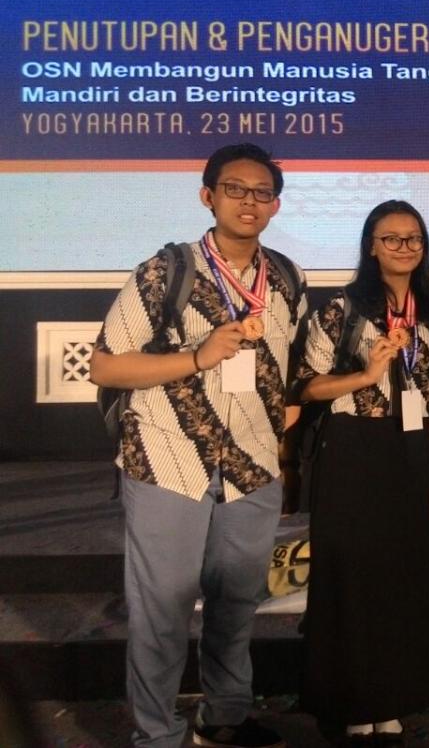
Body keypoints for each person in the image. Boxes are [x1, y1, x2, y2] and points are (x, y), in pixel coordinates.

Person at [90, 143, 306, 748]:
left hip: (252, 467)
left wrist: (282, 451)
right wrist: (196, 357)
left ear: (276, 205)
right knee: (162, 614)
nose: (249, 201)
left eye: (262, 192)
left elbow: (287, 373)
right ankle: (157, 736)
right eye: (235, 189)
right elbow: (105, 365)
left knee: (236, 606)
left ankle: (225, 718)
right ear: (208, 196)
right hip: (169, 460)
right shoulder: (165, 270)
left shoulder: (288, 277)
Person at [295, 200, 429, 743]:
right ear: (371, 246)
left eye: (414, 239)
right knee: (351, 577)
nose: (404, 248)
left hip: (410, 451)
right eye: (391, 239)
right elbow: (307, 387)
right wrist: (365, 376)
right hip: (351, 449)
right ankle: (351, 701)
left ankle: (393, 698)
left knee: (402, 577)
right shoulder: (341, 309)